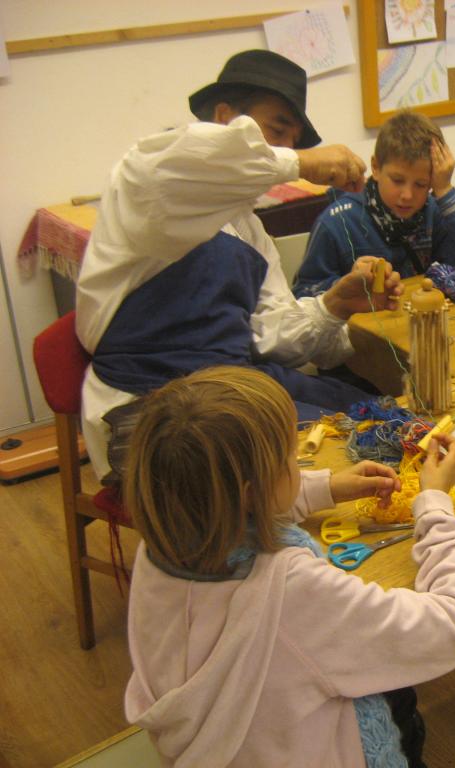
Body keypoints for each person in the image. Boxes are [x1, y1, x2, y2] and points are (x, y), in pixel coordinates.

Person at [122, 366, 455, 767]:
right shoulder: (287, 589)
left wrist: (323, 488)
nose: (299, 463)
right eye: (290, 459)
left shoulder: (161, 547)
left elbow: (229, 505)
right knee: (403, 704)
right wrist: (435, 505)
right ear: (254, 493)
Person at [75, 49, 403, 483]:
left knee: (385, 424)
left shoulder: (249, 232)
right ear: (224, 117)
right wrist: (302, 162)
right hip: (153, 413)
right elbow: (197, 159)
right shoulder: (149, 181)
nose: (285, 149)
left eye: (292, 141)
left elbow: (273, 341)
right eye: (276, 130)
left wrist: (335, 305)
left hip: (233, 390)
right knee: (325, 472)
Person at [293, 110, 455, 297]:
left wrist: (445, 189)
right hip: (362, 323)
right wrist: (346, 285)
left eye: (420, 184)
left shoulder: (432, 211)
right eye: (397, 180)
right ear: (376, 167)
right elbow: (303, 294)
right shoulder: (337, 222)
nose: (407, 195)